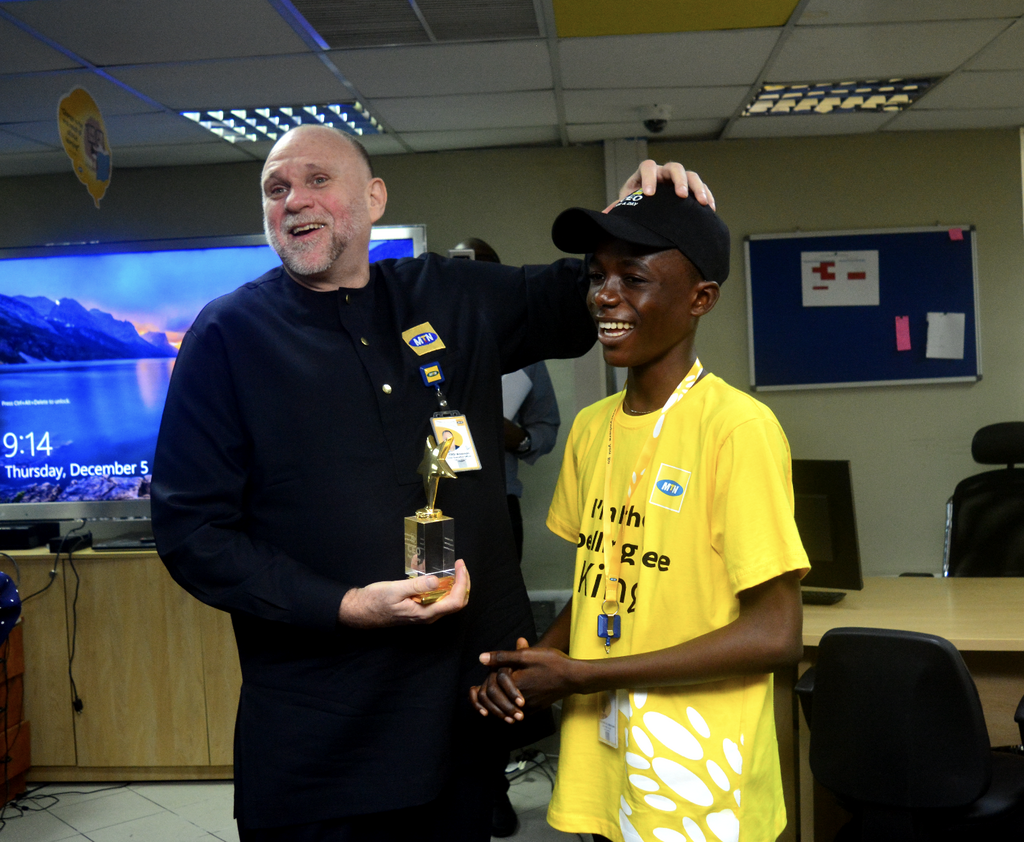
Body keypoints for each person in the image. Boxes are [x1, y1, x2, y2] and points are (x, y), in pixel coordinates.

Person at [151, 122, 714, 841]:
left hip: (460, 718)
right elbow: (191, 531)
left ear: (375, 197)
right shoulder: (228, 336)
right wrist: (345, 604)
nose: (295, 200)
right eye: (276, 188)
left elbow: (590, 293)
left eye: (318, 179)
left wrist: (645, 212)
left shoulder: (449, 297)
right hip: (323, 737)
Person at [470, 183, 809, 842]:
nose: (604, 293)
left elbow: (776, 635)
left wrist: (582, 676)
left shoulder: (738, 428)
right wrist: (534, 663)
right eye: (597, 276)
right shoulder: (593, 428)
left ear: (699, 299)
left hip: (700, 772)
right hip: (607, 755)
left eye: (635, 277)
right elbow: (601, 580)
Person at [451, 236, 562, 837]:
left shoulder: (523, 354)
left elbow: (544, 431)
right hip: (436, 517)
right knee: (437, 637)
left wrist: (506, 433)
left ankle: (493, 782)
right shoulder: (426, 345)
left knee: (496, 639)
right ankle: (445, 780)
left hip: (498, 512)